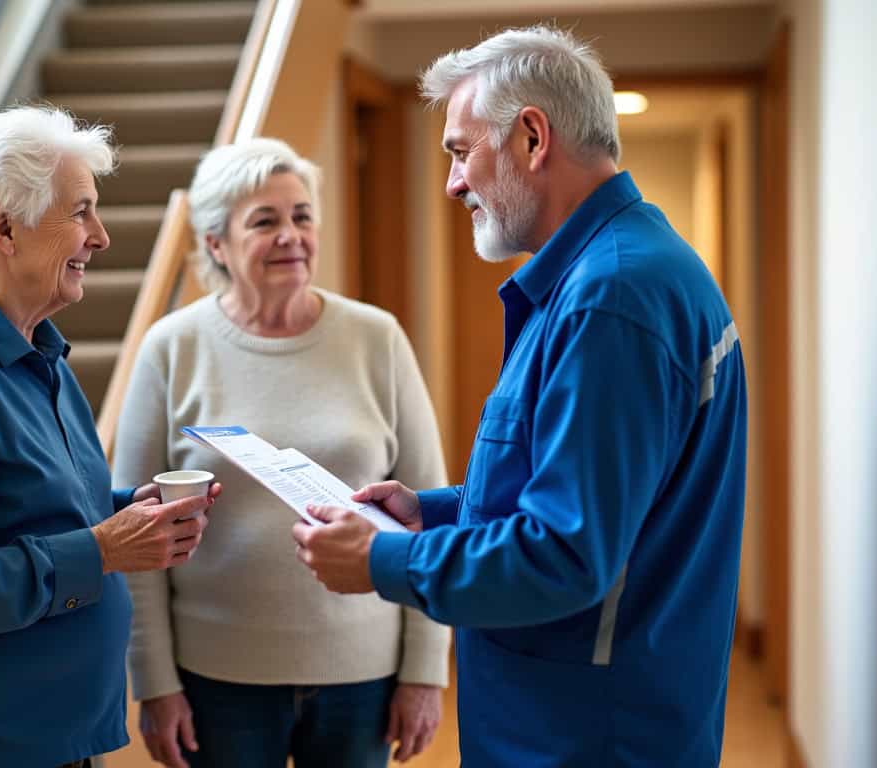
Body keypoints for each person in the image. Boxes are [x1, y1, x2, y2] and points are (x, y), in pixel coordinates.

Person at [293, 26, 748, 767]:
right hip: (588, 717)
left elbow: (565, 556)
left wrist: (386, 560)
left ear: (533, 136)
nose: (452, 184)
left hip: (585, 735)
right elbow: (585, 488)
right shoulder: (625, 269)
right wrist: (432, 510)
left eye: (460, 151)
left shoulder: (612, 300)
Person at [0, 105, 218, 768]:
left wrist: (126, 515)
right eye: (80, 211)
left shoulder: (37, 353)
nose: (102, 236)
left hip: (50, 736)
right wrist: (101, 551)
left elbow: (31, 514)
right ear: (4, 229)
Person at [113, 137, 451, 768]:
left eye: (301, 216)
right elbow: (135, 533)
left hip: (364, 677)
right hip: (218, 678)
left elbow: (428, 512)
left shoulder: (377, 338)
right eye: (264, 221)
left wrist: (426, 669)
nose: (291, 235)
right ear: (216, 243)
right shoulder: (171, 348)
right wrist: (153, 683)